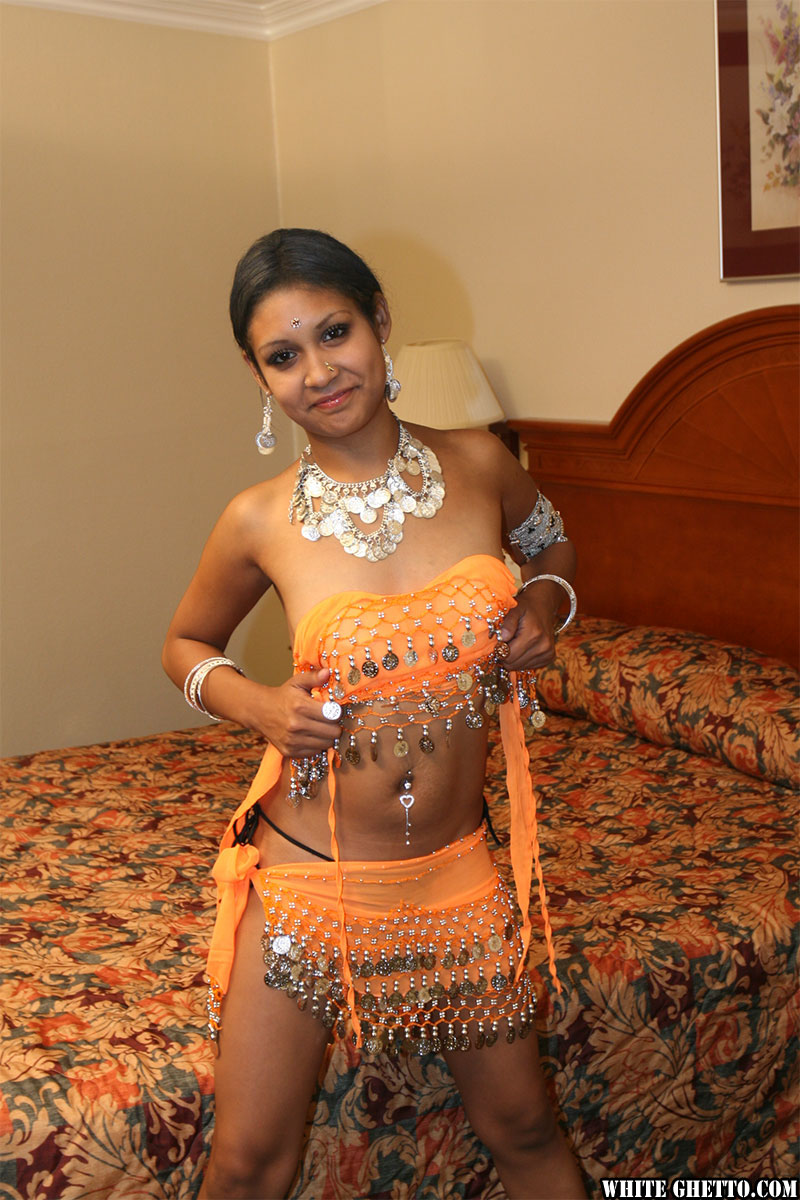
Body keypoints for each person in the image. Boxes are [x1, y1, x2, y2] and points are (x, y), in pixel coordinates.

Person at [162, 228, 585, 1200]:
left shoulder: (480, 464)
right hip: (308, 885)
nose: (318, 372)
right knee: (248, 1165)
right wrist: (259, 704)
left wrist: (540, 606)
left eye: (335, 332)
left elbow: (555, 548)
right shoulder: (257, 518)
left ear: (380, 321)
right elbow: (183, 643)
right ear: (258, 375)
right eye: (283, 355)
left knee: (525, 1130)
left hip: (458, 874)